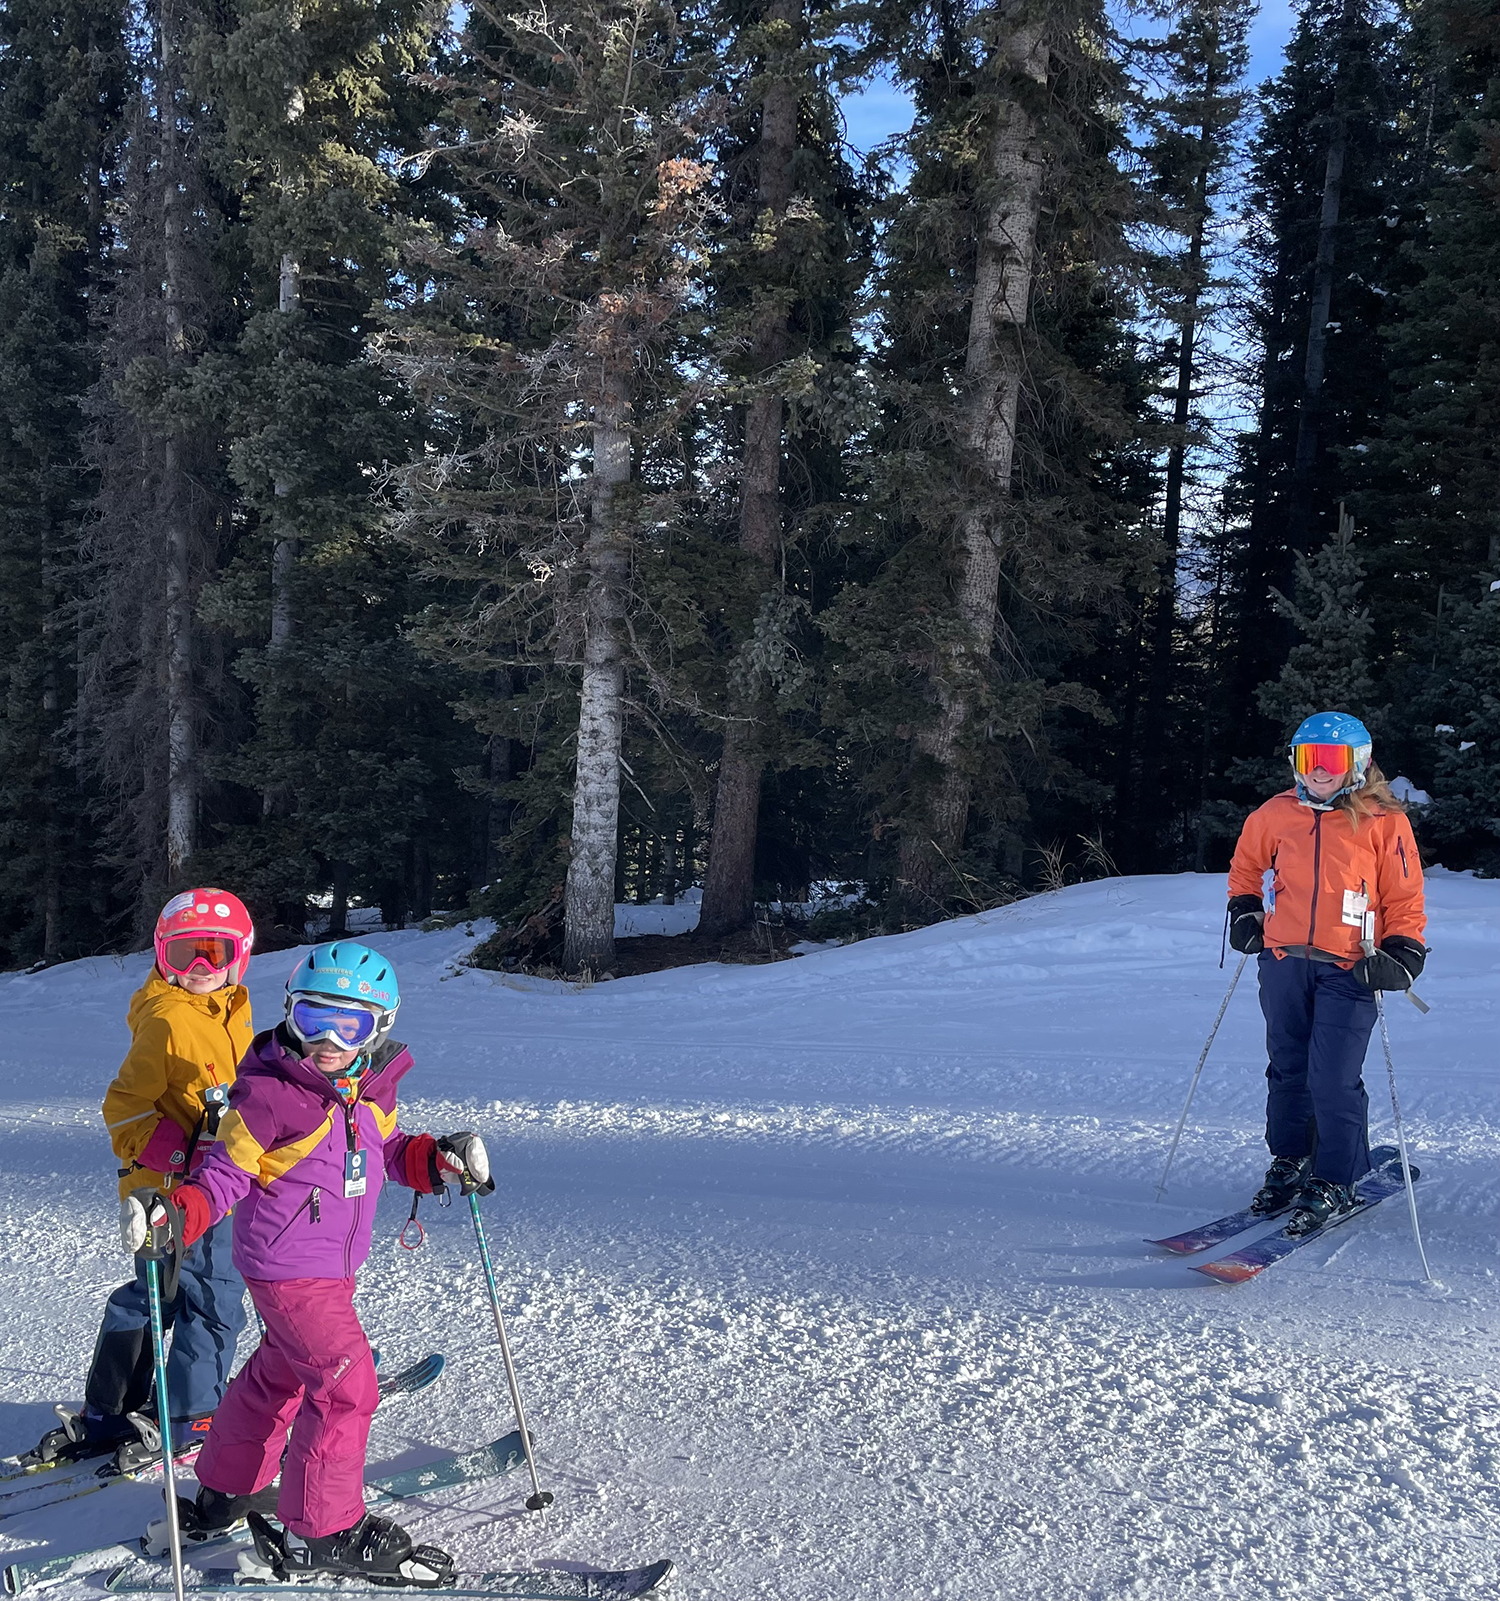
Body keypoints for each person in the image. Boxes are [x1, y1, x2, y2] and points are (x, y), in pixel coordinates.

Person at [120, 942, 491, 1587]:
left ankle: (226, 1491)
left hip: (330, 1267)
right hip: (288, 1270)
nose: (329, 1040)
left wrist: (434, 1159)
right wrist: (178, 1214)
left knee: (278, 1377)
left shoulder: (368, 1091)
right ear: (291, 1014)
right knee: (346, 1386)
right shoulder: (269, 1097)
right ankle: (323, 1531)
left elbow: (384, 1148)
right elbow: (226, 1173)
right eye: (315, 1018)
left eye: (352, 1025)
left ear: (380, 1027)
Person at [26, 890, 255, 1472]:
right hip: (184, 1191)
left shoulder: (230, 1011)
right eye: (184, 956)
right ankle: (191, 1414)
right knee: (211, 1297)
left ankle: (112, 1409)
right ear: (161, 955)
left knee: (155, 1295)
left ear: (240, 955)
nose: (199, 970)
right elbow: (124, 1107)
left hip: (188, 1190)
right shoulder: (168, 1018)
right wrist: (181, 1151)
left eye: (213, 953)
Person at [1226, 711, 1427, 1236]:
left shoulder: (1384, 821)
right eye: (1308, 758)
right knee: (1287, 1067)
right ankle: (1292, 1158)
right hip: (1284, 961)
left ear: (1356, 764)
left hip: (1350, 967)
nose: (1318, 770)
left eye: (1331, 760)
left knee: (1333, 1076)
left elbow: (1403, 895)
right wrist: (1246, 911)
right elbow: (1246, 869)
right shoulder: (1274, 813)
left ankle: (1336, 1176)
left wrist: (1404, 950)